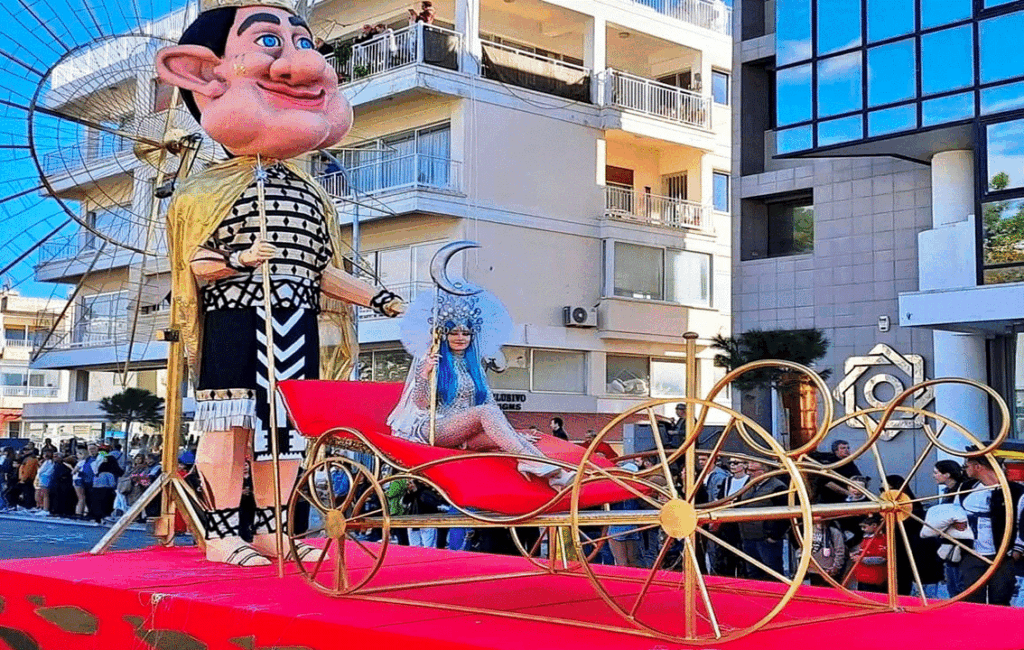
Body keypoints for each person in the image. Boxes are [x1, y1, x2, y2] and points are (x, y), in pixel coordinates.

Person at [155, 0, 405, 566]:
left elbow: (320, 270)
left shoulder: (311, 194)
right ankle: (221, 531)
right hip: (234, 322)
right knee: (229, 426)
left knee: (287, 435)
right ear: (203, 74)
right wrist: (241, 259)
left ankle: (276, 529)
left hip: (295, 322)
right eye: (269, 43)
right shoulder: (201, 193)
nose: (304, 67)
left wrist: (381, 297)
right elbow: (192, 269)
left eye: (306, 44)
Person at [389, 290, 572, 489]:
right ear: (444, 335)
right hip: (435, 427)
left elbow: (489, 403)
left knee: (512, 439)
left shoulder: (474, 367)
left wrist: (512, 431)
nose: (461, 337)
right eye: (454, 332)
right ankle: (537, 466)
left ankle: (557, 475)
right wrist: (424, 374)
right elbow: (421, 404)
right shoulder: (432, 362)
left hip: (465, 434)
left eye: (466, 333)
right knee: (488, 414)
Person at [958, 455, 1024, 605]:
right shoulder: (966, 488)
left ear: (978, 467)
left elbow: (1022, 523)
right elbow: (955, 512)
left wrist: (1017, 550)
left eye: (967, 465)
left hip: (1003, 556)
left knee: (1001, 598)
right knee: (971, 599)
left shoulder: (1016, 492)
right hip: (972, 554)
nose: (964, 469)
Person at [736, 460, 787, 579]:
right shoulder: (749, 484)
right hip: (748, 537)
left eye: (752, 471)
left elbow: (784, 515)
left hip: (765, 538)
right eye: (748, 470)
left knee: (772, 572)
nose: (749, 473)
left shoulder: (778, 487)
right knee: (753, 572)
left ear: (764, 471)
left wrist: (773, 536)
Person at [931, 459, 974, 596]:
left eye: (936, 472)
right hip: (949, 542)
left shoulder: (961, 491)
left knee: (959, 585)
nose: (934, 475)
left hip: (960, 543)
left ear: (947, 474)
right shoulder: (948, 491)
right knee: (953, 583)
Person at [851, 514, 887, 593]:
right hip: (862, 576)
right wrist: (856, 554)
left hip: (874, 578)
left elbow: (881, 559)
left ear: (874, 525)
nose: (862, 529)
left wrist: (861, 559)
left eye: (865, 527)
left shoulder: (882, 539)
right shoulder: (866, 538)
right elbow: (863, 551)